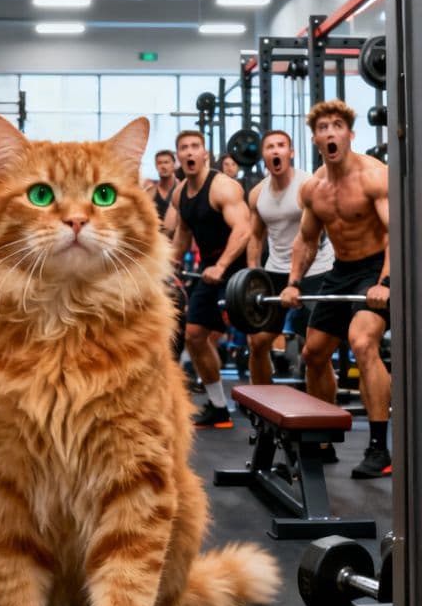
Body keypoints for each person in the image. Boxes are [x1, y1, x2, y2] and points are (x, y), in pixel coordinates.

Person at [280, 99, 391, 479]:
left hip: (376, 267)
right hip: (341, 270)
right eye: (323, 128)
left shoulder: (374, 176)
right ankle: (322, 441)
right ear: (315, 138)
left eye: (337, 126)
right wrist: (294, 282)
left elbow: (395, 234)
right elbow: (307, 240)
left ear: (350, 134)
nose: (330, 133)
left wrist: (385, 283)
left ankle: (379, 448)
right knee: (313, 354)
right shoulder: (314, 188)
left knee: (362, 342)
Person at [166, 130, 251, 428]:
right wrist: (169, 264)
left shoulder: (223, 187)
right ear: (179, 156)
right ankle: (218, 407)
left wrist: (223, 266)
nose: (189, 152)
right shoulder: (180, 194)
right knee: (194, 335)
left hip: (240, 269)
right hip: (210, 270)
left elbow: (243, 229)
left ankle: (267, 406)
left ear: (205, 154)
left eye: (195, 147)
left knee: (258, 339)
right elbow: (182, 234)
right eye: (184, 148)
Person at [247, 129, 334, 386]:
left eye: (281, 145)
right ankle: (262, 405)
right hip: (275, 271)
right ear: (263, 155)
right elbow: (255, 237)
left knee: (315, 349)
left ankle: (322, 408)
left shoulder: (307, 186)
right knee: (258, 342)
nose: (275, 150)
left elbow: (314, 235)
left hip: (316, 270)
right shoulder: (257, 194)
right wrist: (253, 275)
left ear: (291, 152)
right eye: (270, 147)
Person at [143, 149, 178, 235]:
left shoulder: (181, 188)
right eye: (159, 163)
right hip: (156, 237)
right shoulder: (151, 190)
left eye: (166, 162)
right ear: (156, 166)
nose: (163, 166)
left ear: (174, 165)